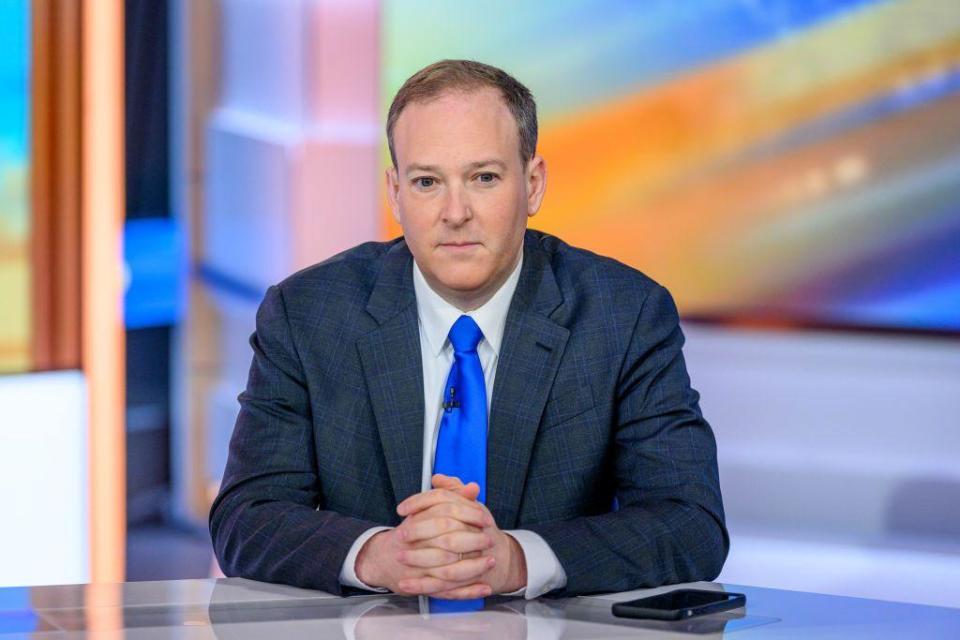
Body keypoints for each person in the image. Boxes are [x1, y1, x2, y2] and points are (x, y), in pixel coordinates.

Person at [209, 59, 728, 601]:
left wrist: (517, 560)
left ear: (532, 185)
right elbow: (245, 518)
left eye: (484, 177)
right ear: (395, 194)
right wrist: (380, 554)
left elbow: (691, 524)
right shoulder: (308, 314)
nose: (455, 212)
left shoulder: (623, 315)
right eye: (427, 181)